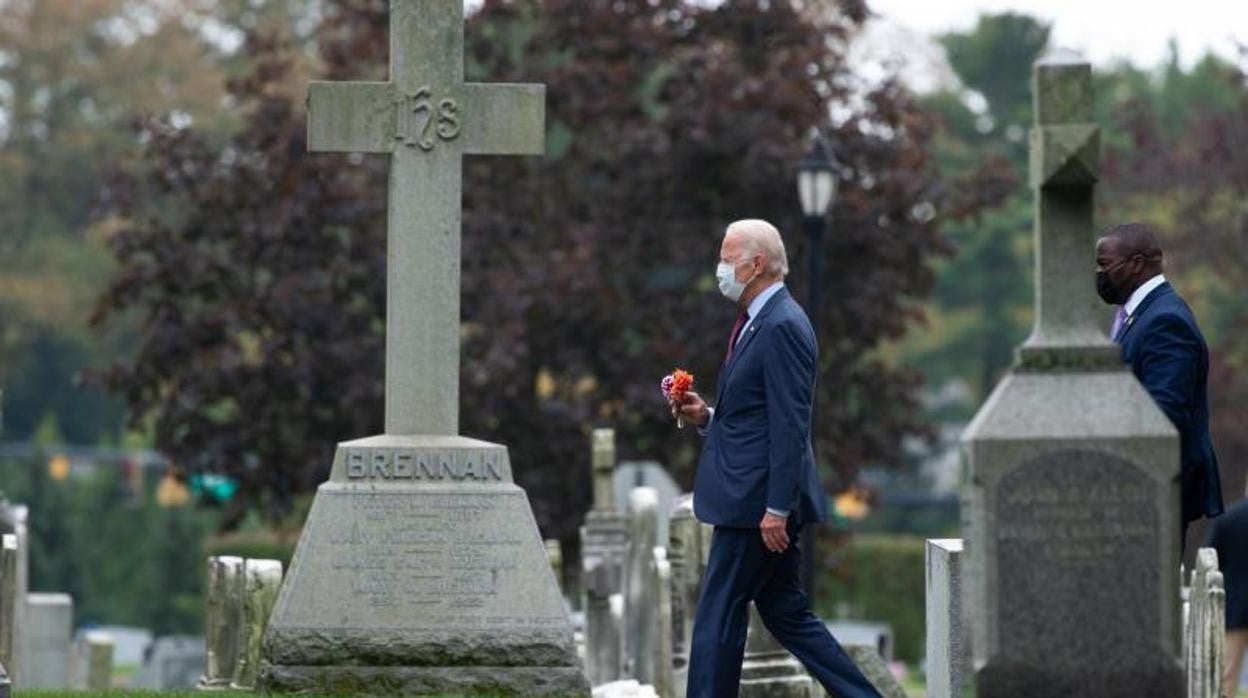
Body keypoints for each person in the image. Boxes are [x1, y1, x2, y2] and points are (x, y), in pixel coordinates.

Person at [670, 219, 880, 698]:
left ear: (756, 263)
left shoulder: (783, 323)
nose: (720, 268)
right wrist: (706, 416)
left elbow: (790, 423)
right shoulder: (757, 321)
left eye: (727, 258)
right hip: (759, 497)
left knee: (717, 614)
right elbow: (756, 418)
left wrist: (777, 508)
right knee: (786, 613)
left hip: (757, 505)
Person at [1095, 222, 1223, 546]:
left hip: (1152, 489)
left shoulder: (1166, 320)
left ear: (1136, 264)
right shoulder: (1140, 315)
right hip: (1136, 488)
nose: (1098, 273)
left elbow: (1164, 413)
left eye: (1104, 264)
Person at [1205, 480, 1248, 697]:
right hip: (1235, 608)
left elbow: (1210, 560)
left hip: (1234, 607)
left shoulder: (1227, 519)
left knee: (1228, 676)